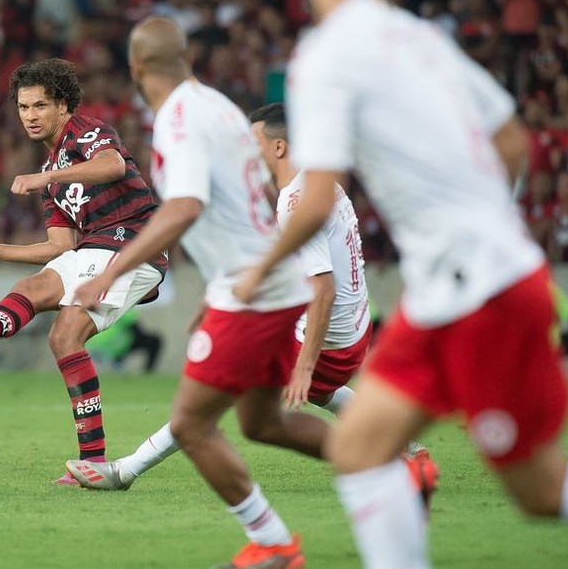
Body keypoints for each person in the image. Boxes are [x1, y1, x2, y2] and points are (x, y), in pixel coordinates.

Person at [234, 0, 568, 567]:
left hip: (478, 290)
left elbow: (312, 200)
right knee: (362, 448)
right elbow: (513, 139)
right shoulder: (420, 36)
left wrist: (258, 270)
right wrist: (484, 225)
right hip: (458, 284)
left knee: (543, 490)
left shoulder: (326, 53)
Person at [67, 103, 433, 503]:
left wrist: (305, 366)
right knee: (316, 392)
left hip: (329, 336)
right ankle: (404, 446)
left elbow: (322, 289)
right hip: (350, 328)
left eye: (253, 142)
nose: (247, 151)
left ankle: (125, 470)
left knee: (212, 391)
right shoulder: (317, 185)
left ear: (278, 148)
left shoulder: (296, 202)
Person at [67, 18, 329, 569]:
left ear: (136, 68)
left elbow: (185, 207)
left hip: (252, 291)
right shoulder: (219, 106)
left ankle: (276, 544)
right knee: (263, 424)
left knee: (190, 425)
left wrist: (111, 271)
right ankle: (392, 468)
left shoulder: (178, 120)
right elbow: (236, 207)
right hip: (265, 284)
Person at [0, 58, 167, 484]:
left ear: (62, 105)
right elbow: (60, 246)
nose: (30, 116)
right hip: (96, 247)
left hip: (133, 242)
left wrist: (48, 178)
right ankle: (93, 464)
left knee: (63, 329)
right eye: (24, 108)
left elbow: (113, 166)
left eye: (40, 106)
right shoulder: (51, 173)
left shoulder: (86, 131)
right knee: (54, 323)